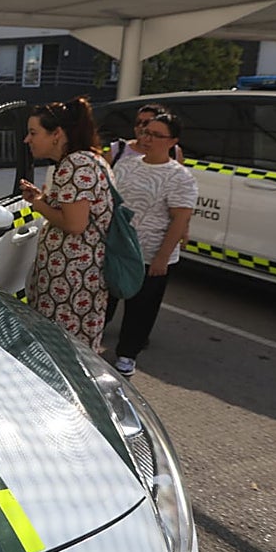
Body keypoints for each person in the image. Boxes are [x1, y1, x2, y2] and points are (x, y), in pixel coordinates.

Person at [105, 112, 197, 377]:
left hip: (151, 254)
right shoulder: (126, 166)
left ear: (173, 141)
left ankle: (126, 355)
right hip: (119, 249)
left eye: (156, 135)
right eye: (146, 132)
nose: (147, 138)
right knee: (107, 299)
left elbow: (180, 220)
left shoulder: (180, 177)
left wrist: (161, 257)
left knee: (141, 309)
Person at [19, 97, 113, 351]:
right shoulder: (89, 160)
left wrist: (38, 203)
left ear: (57, 134)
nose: (27, 140)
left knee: (66, 351)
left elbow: (74, 224)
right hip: (76, 277)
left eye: (33, 132)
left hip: (71, 283)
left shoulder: (75, 165)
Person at [104, 103, 184, 166]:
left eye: (146, 123)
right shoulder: (118, 149)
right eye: (138, 122)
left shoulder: (174, 152)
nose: (141, 126)